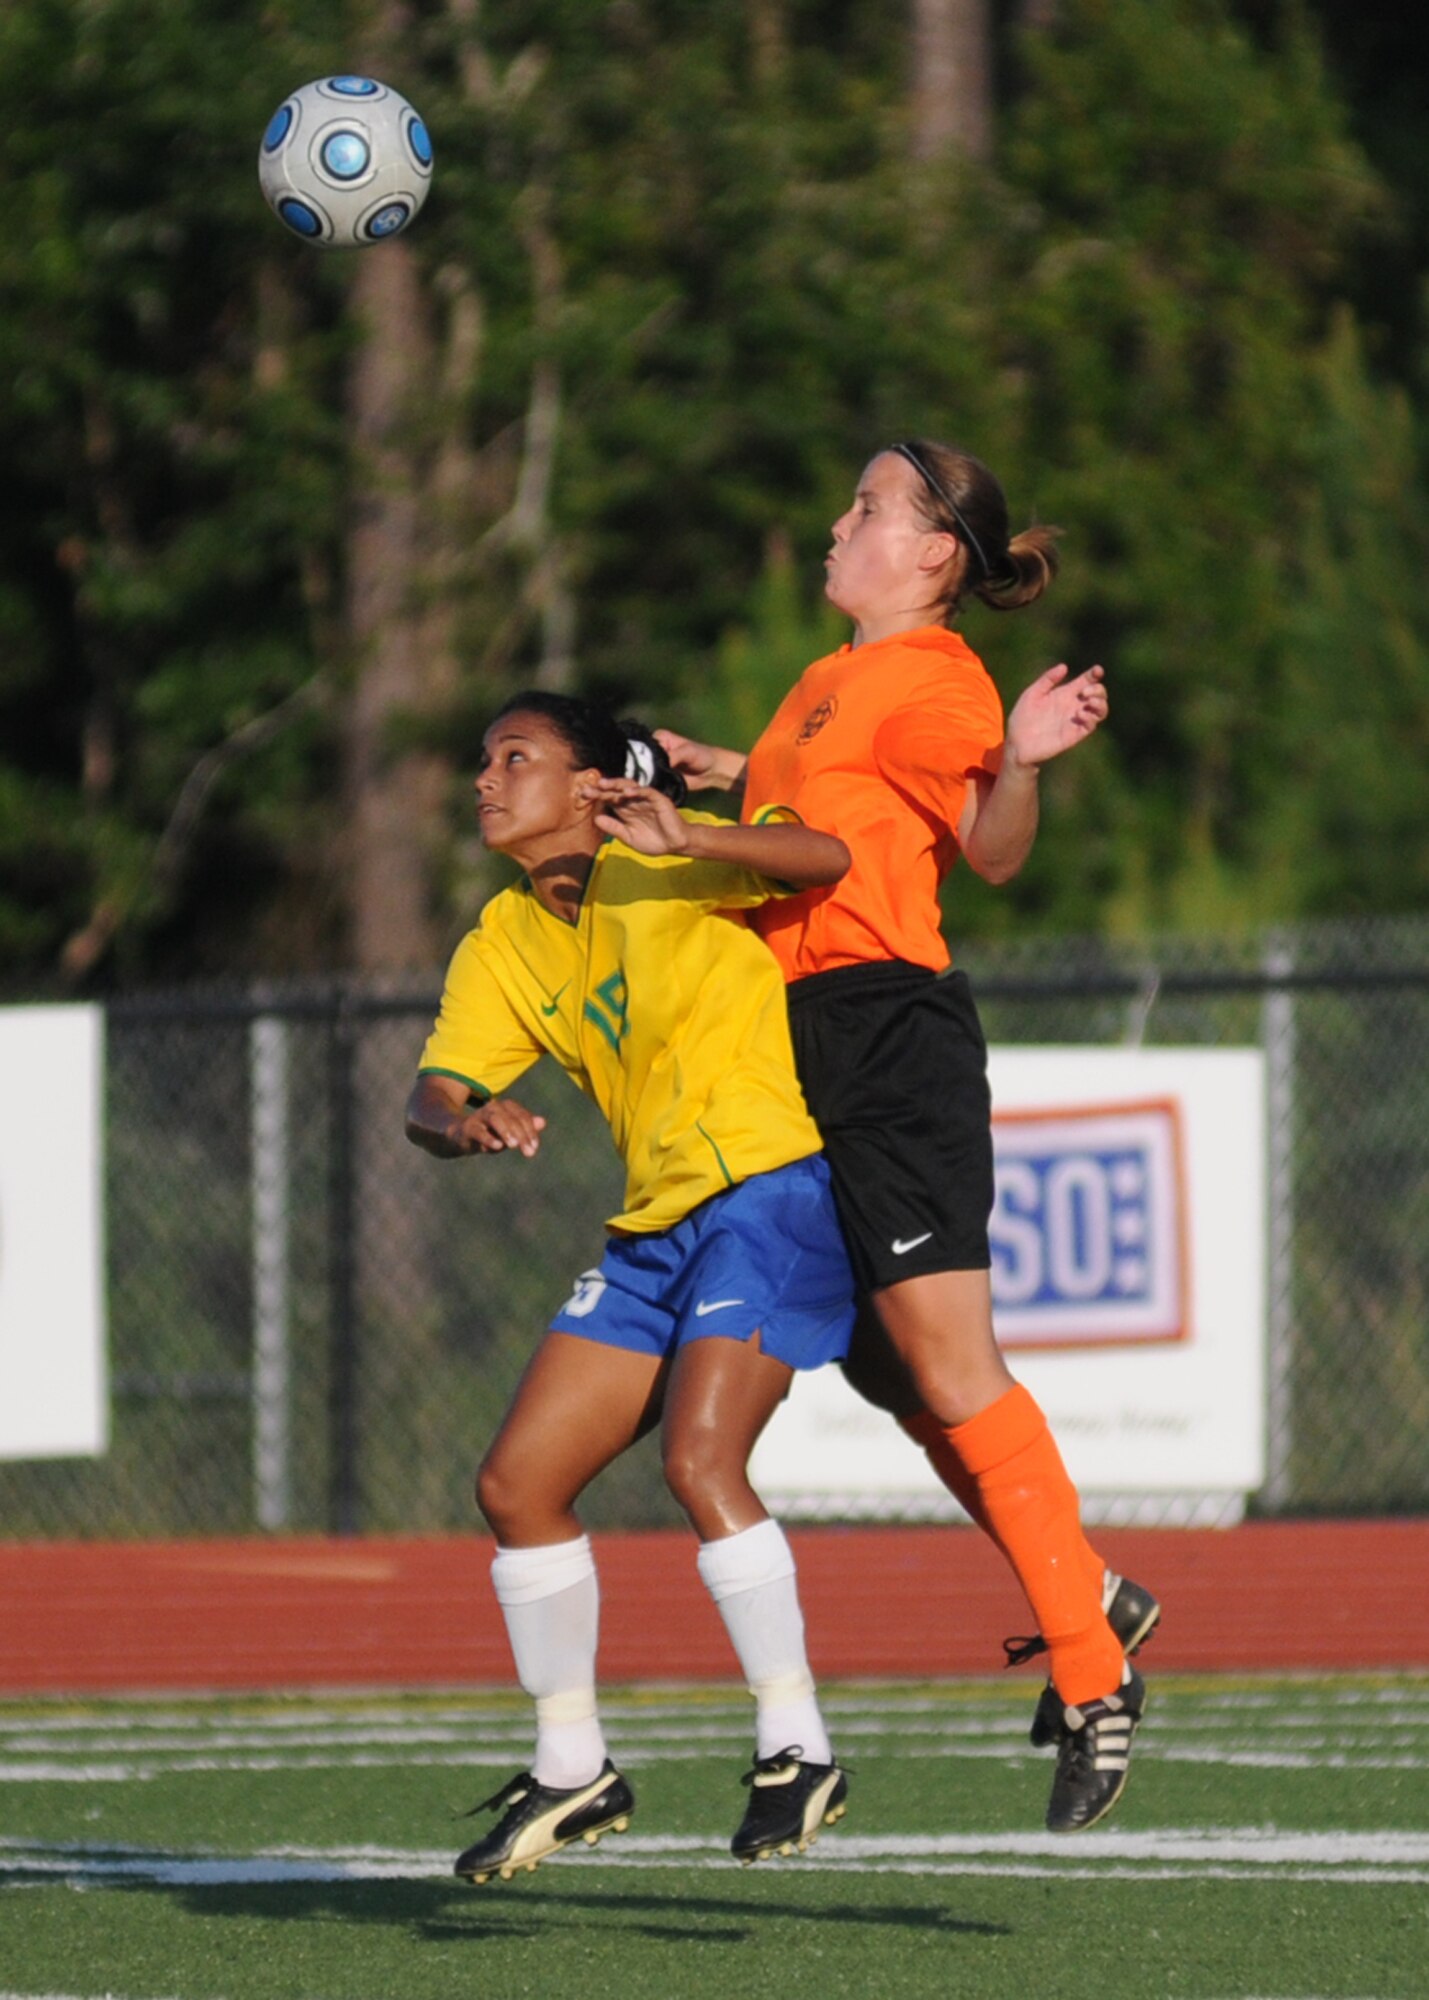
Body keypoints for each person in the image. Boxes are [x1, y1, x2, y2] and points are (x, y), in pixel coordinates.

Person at [656, 439, 1159, 1835]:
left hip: (885, 1037)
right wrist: (717, 775)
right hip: (795, 1043)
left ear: (936, 553)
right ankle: (1094, 1589)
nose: (838, 522)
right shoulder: (819, 684)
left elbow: (989, 847)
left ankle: (1093, 1665)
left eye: (867, 508)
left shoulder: (940, 677)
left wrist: (1026, 761)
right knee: (888, 1368)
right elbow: (803, 825)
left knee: (948, 1362)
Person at [405, 691, 858, 1883]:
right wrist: (464, 1120)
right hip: (657, 1225)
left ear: (596, 781)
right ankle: (573, 1767)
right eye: (482, 757)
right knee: (517, 1483)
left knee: (700, 1461)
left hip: (768, 1190)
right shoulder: (500, 939)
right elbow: (429, 1094)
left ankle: (797, 1743)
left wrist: (693, 830)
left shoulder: (665, 857)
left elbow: (825, 854)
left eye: (517, 756)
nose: (485, 779)